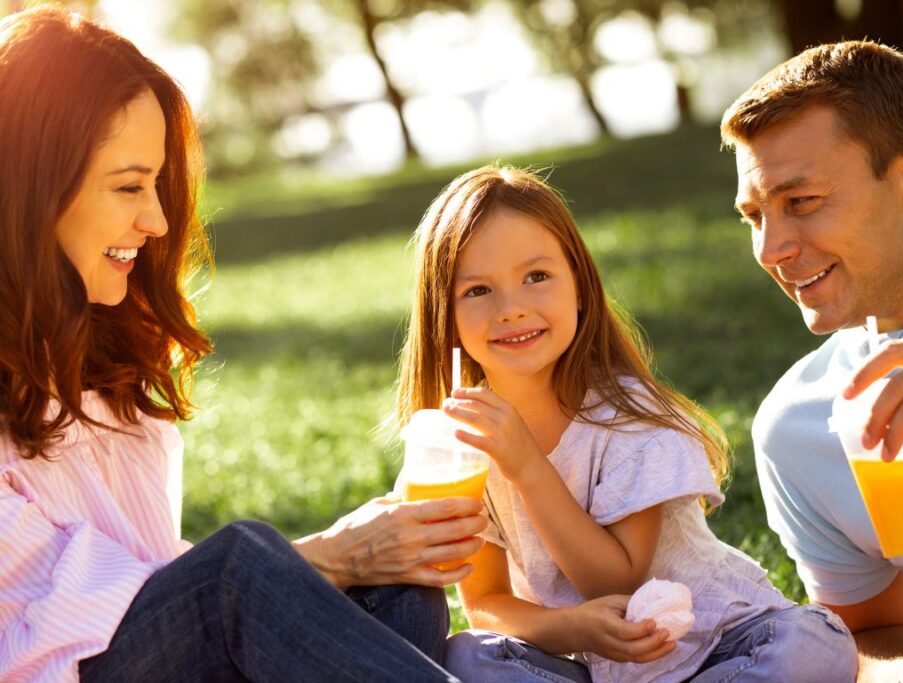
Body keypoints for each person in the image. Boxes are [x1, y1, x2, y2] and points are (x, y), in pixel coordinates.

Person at [0, 6, 485, 682]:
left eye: (158, 185)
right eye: (130, 185)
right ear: (31, 186)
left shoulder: (99, 370)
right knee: (241, 565)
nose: (157, 218)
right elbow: (69, 620)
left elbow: (161, 588)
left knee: (397, 578)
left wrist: (351, 556)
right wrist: (331, 556)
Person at [393, 165, 858, 682]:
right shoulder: (461, 449)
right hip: (597, 668)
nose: (512, 308)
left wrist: (525, 463)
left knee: (811, 644)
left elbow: (616, 581)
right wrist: (570, 629)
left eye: (537, 277)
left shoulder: (630, 419)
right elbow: (484, 601)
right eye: (478, 290)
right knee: (468, 657)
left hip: (724, 647)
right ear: (444, 313)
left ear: (579, 286)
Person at [720, 40, 903, 682]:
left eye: (800, 202)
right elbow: (873, 631)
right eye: (755, 216)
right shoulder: (800, 427)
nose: (771, 248)